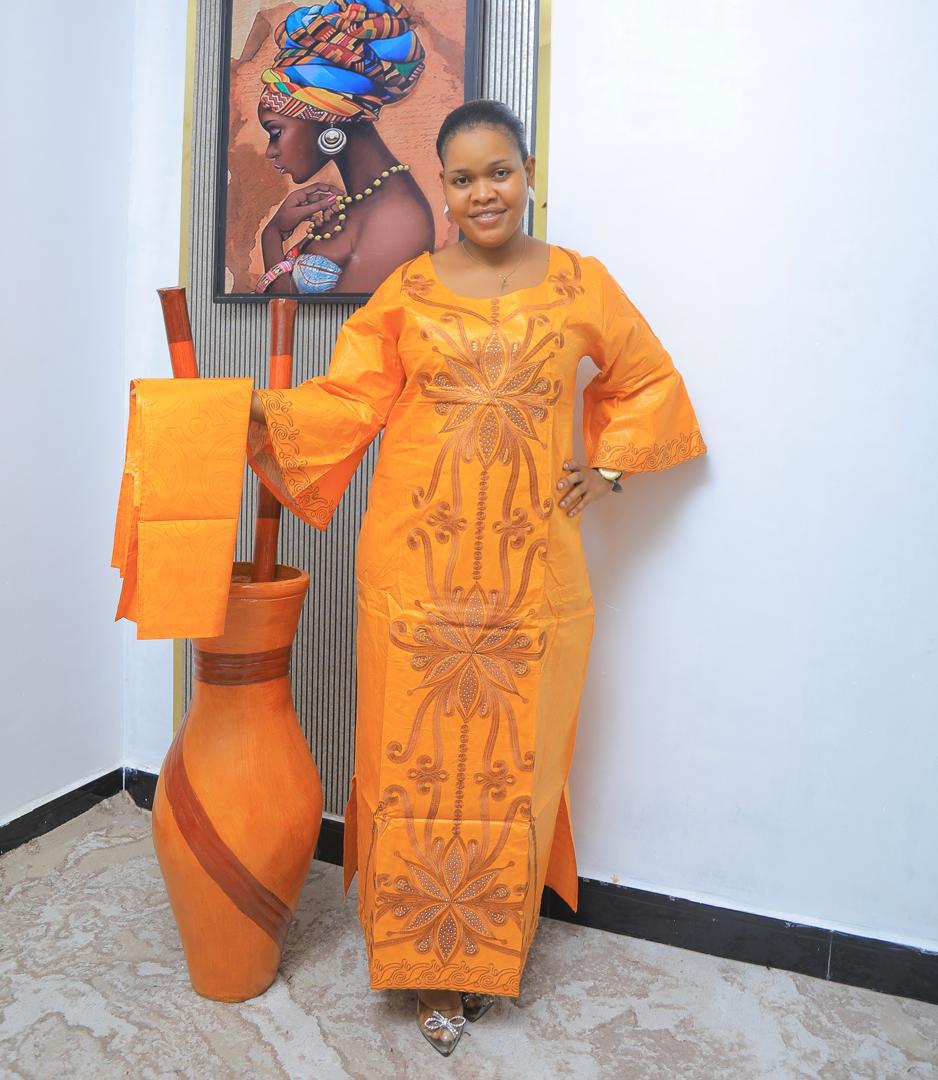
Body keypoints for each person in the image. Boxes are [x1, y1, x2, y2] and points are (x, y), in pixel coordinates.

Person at [247, 99, 707, 1056]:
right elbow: (347, 400)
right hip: (413, 575)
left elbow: (649, 381)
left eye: (499, 171)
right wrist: (247, 414)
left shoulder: (581, 283)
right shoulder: (408, 290)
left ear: (528, 172)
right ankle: (425, 966)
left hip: (532, 583)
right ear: (444, 190)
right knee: (411, 762)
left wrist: (611, 466)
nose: (482, 192)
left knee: (511, 766)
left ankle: (487, 953)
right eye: (462, 179)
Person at [254, 0, 434, 296]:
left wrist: (272, 236)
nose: (270, 151)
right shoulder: (357, 201)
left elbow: (322, 320)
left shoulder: (397, 218)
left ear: (328, 117)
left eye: (275, 132)